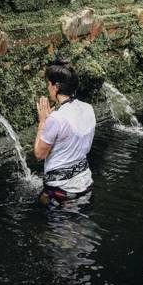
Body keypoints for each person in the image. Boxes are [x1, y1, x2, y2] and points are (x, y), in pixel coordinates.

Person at [34, 60, 95, 206]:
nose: (48, 88)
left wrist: (43, 122)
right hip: (85, 182)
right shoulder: (88, 108)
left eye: (49, 84)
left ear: (56, 87)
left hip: (62, 189)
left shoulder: (56, 118)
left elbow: (39, 154)